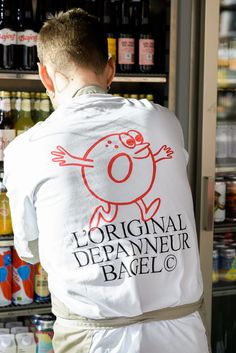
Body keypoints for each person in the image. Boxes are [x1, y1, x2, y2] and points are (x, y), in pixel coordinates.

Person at [4, 8, 210, 353]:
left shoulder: (26, 149)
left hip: (95, 338)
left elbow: (29, 249)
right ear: (111, 68)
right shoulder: (162, 121)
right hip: (183, 333)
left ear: (45, 76)